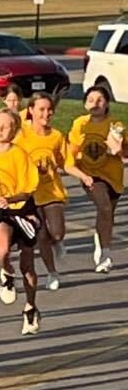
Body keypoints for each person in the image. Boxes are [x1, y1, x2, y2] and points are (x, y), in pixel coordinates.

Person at [0, 109, 42, 334]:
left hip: (22, 210)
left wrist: (10, 198)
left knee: (27, 266)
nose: (0, 130)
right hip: (1, 212)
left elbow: (28, 189)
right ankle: (6, 273)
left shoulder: (20, 155)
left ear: (14, 131)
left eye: (6, 126)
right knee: (1, 251)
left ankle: (31, 307)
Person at [65, 84, 125, 273]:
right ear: (85, 104)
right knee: (104, 207)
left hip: (113, 176)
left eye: (99, 100)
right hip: (91, 175)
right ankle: (106, 255)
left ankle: (101, 242)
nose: (95, 104)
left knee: (107, 214)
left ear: (107, 103)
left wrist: (117, 148)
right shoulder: (80, 124)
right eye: (90, 100)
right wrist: (81, 174)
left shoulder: (116, 125)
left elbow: (120, 151)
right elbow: (71, 154)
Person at [16, 92, 68, 290]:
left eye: (49, 109)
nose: (46, 114)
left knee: (57, 233)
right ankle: (52, 273)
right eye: (41, 109)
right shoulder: (22, 136)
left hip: (52, 191)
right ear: (31, 111)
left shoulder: (56, 136)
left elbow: (66, 162)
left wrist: (83, 175)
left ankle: (58, 242)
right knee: (41, 235)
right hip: (30, 194)